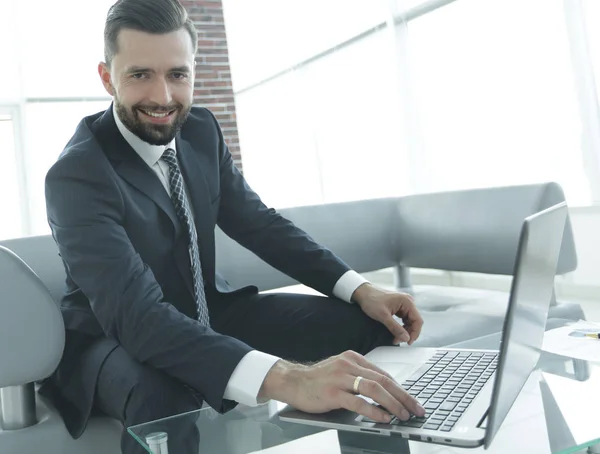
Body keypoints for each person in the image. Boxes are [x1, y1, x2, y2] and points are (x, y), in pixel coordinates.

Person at [41, 0, 425, 452]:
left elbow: (261, 225)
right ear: (107, 77)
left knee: (366, 328)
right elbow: (137, 316)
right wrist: (290, 379)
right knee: (159, 394)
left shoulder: (200, 130)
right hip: (111, 338)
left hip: (208, 313)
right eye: (140, 74)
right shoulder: (78, 175)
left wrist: (361, 289)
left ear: (193, 72)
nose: (163, 97)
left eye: (177, 74)